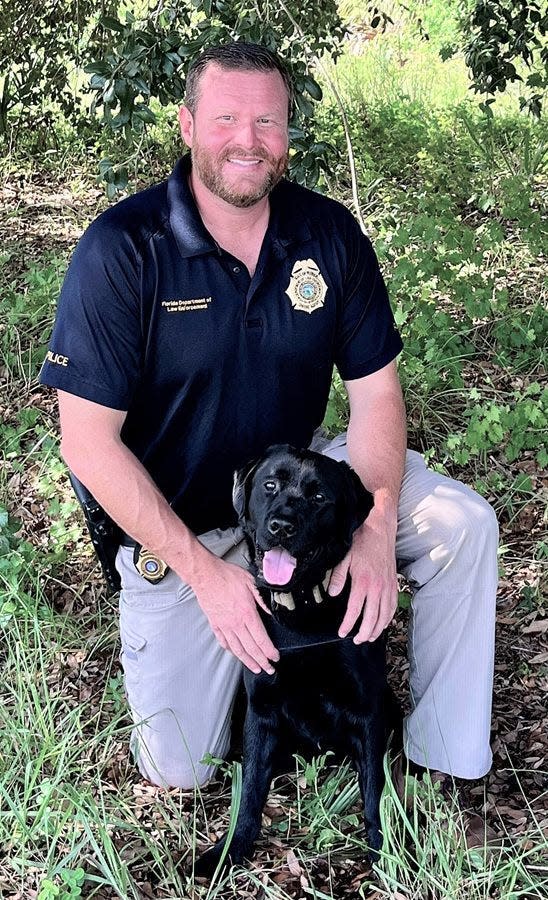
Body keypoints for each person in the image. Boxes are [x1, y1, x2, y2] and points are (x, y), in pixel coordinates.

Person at [40, 42, 498, 795]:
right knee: (180, 766)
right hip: (186, 522)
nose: (248, 140)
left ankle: (443, 761)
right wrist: (204, 573)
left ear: (290, 132)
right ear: (187, 125)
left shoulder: (326, 233)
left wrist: (378, 520)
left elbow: (377, 394)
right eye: (225, 118)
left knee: (462, 526)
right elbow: (86, 443)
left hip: (302, 480)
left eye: (268, 121)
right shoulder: (123, 249)